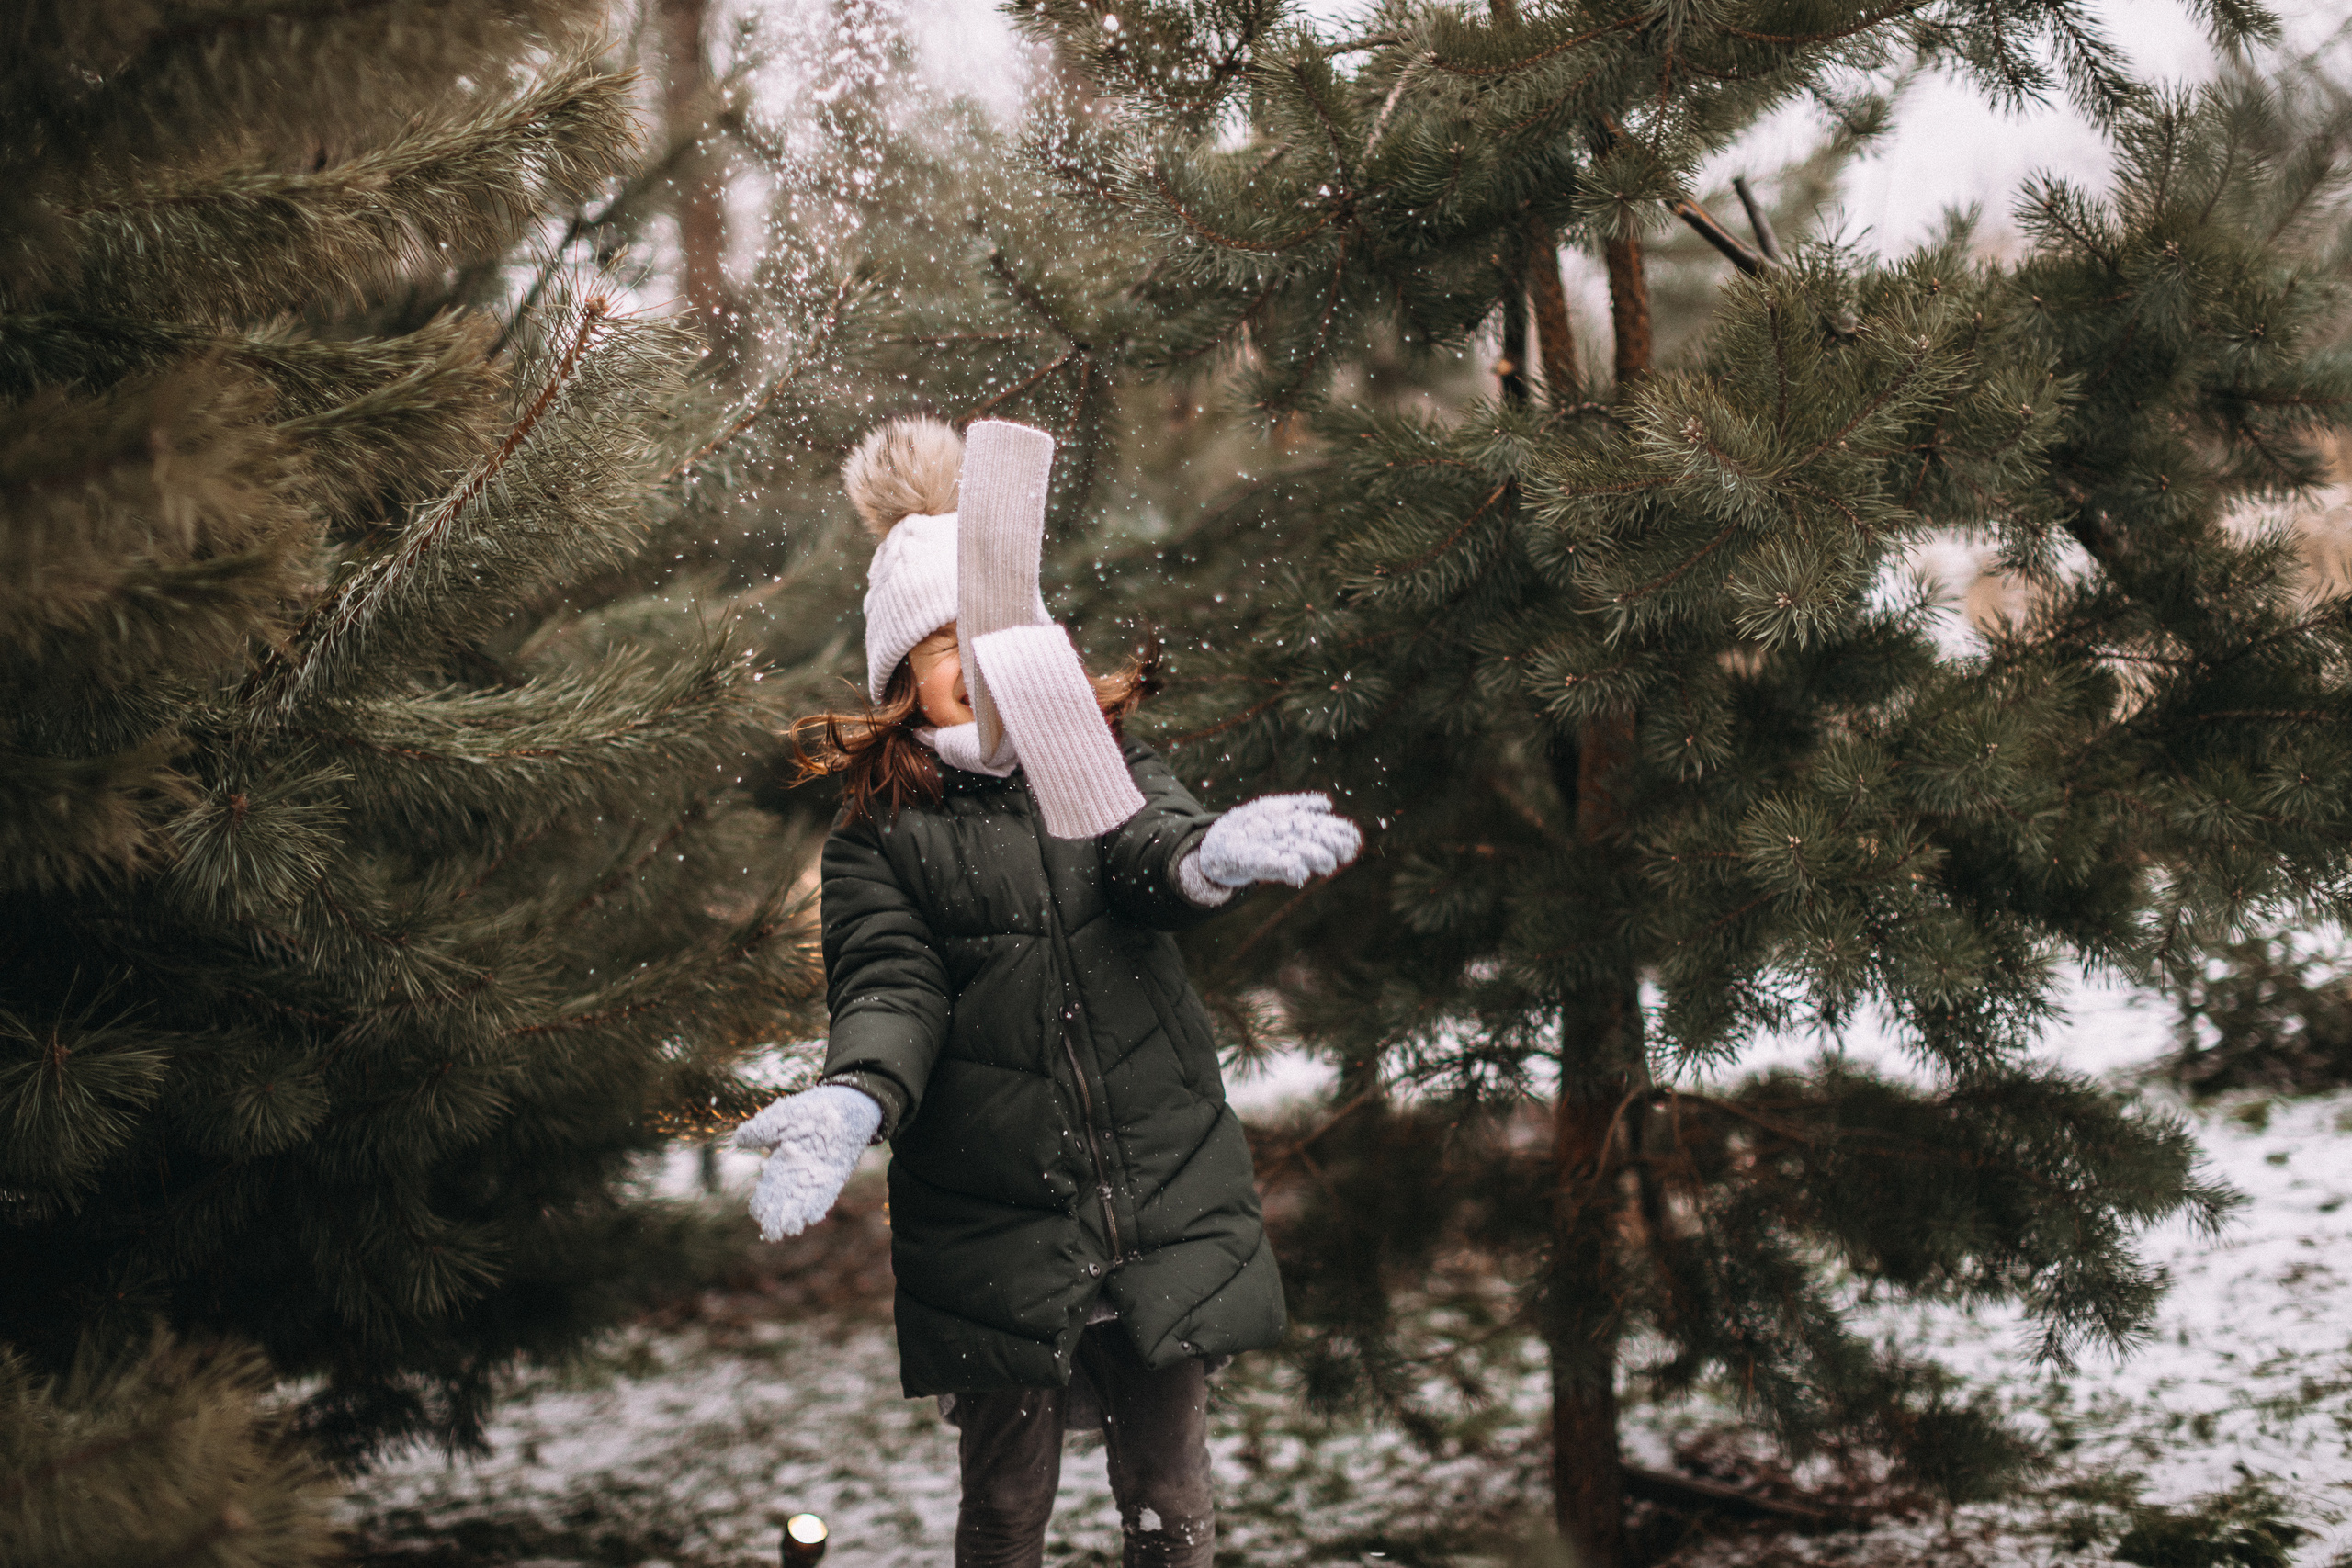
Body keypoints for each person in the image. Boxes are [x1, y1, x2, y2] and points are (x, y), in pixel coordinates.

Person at [732, 415, 1362, 1568]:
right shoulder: (883, 837)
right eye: (939, 648)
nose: (970, 661)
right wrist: (854, 1098)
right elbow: (891, 986)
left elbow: (1143, 849)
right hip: (995, 1213)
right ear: (900, 682)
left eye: (990, 632)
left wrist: (1208, 855)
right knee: (1007, 1503)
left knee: (1169, 1486)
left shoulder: (1097, 761)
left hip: (1154, 1191)